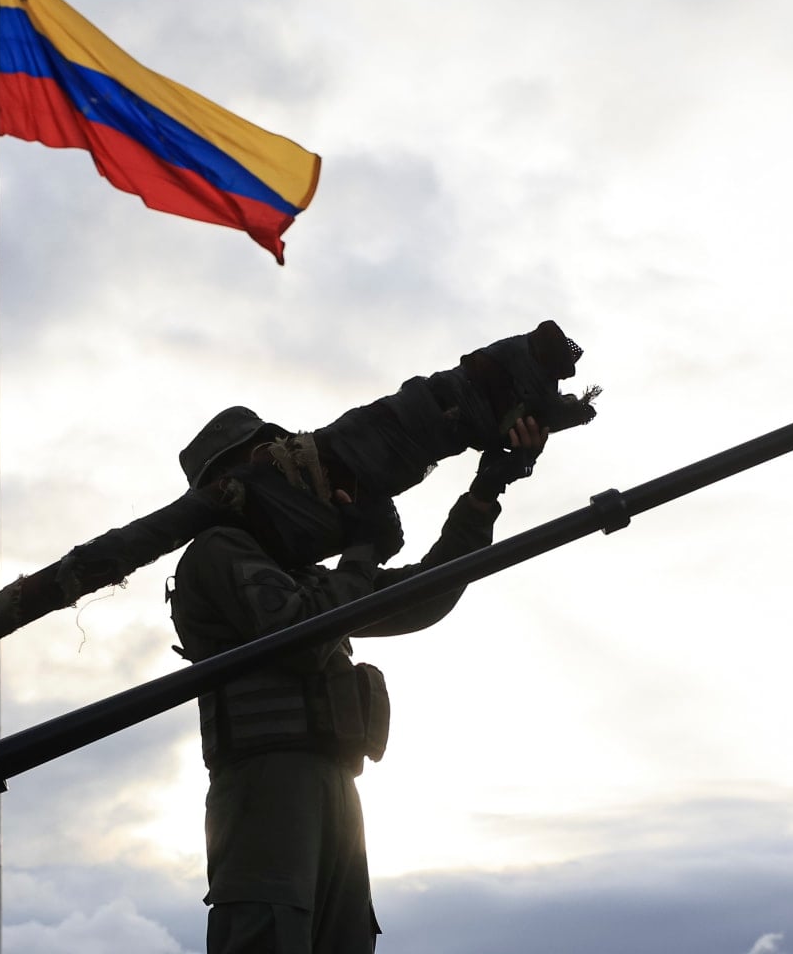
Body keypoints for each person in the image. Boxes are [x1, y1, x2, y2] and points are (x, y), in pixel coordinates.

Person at [167, 406, 550, 954]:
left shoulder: (300, 573)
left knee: (343, 937)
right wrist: (361, 551)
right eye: (267, 459)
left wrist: (483, 496)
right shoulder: (217, 549)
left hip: (333, 786)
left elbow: (422, 599)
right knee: (270, 929)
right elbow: (300, 637)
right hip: (266, 788)